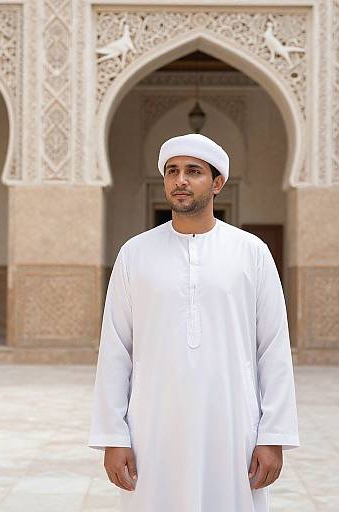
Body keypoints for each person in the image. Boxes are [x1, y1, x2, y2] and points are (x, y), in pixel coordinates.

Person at [88, 133, 300, 512]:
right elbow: (115, 350)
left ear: (217, 183)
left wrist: (274, 436)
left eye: (193, 171)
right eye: (172, 171)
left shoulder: (251, 252)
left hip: (233, 426)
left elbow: (274, 349)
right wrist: (112, 436)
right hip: (153, 427)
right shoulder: (135, 254)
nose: (180, 180)